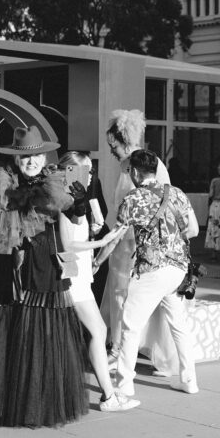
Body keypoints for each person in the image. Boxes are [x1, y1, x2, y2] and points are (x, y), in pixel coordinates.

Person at [0, 126, 90, 428]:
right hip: (12, 268)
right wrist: (18, 197)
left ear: (44, 157)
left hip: (46, 264)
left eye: (37, 156)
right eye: (25, 158)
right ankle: (10, 404)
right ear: (16, 159)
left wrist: (80, 202)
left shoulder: (54, 182)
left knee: (44, 335)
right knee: (15, 332)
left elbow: (76, 217)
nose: (32, 162)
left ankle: (40, 406)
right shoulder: (1, 184)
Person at [111, 150, 201, 397]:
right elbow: (192, 230)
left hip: (150, 270)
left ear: (136, 172)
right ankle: (189, 380)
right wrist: (170, 240)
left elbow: (117, 235)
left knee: (130, 326)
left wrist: (98, 259)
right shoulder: (177, 193)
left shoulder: (133, 198)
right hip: (177, 270)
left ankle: (124, 384)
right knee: (179, 325)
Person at [58, 151, 138, 412]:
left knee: (95, 332)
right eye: (87, 169)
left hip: (78, 276)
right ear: (72, 171)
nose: (91, 174)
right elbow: (68, 244)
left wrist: (94, 235)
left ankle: (108, 394)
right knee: (97, 331)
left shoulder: (75, 199)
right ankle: (108, 396)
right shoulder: (65, 201)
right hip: (73, 279)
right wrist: (100, 242)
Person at [101, 109, 170, 361]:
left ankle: (119, 349)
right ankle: (120, 345)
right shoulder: (133, 164)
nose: (111, 151)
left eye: (114, 146)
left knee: (123, 295)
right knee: (122, 295)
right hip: (126, 241)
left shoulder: (138, 165)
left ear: (126, 141)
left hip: (132, 242)